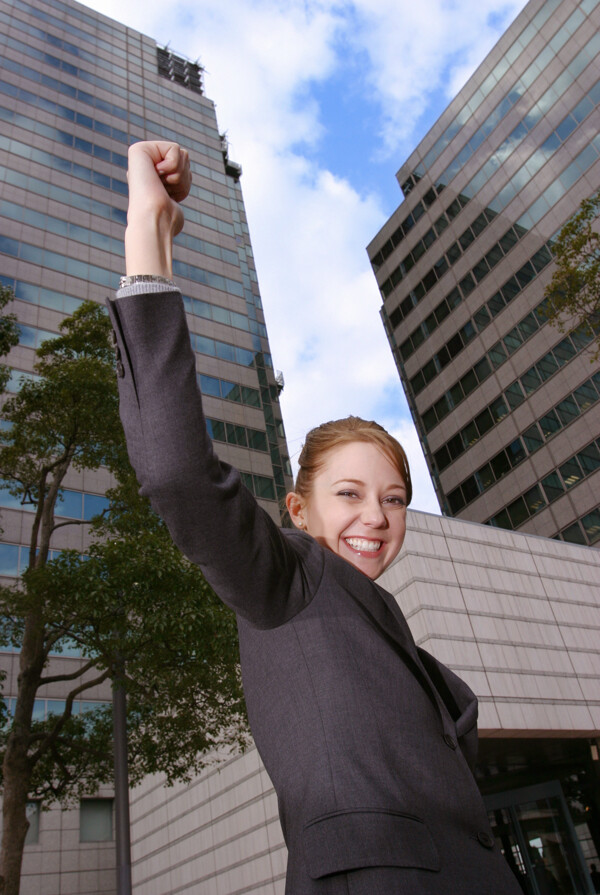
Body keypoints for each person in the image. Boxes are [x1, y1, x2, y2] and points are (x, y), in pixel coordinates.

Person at [108, 140, 523, 894]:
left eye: (394, 498)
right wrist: (149, 239)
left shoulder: (381, 618)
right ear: (298, 508)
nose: (377, 515)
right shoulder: (293, 579)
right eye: (351, 493)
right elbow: (176, 472)